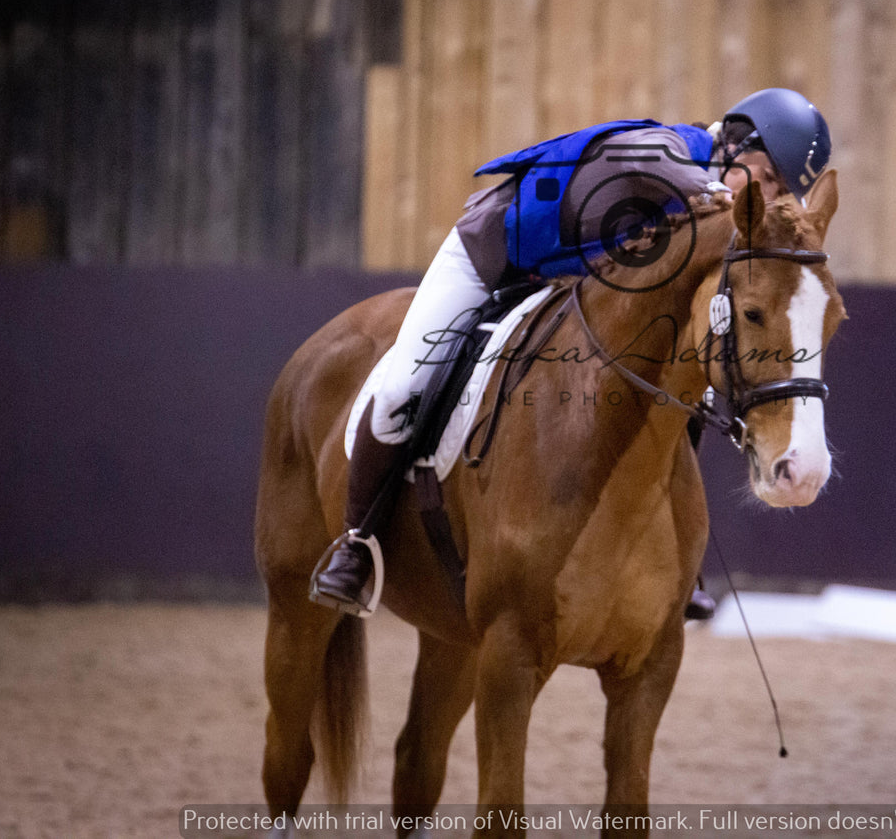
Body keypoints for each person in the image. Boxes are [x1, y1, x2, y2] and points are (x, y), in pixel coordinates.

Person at [310, 88, 832, 618]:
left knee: (681, 384)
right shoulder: (669, 148)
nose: (766, 196)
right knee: (405, 385)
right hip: (491, 258)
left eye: (780, 189)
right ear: (733, 145)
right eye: (765, 177)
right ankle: (357, 545)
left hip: (564, 286)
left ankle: (677, 560)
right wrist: (710, 188)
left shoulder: (721, 218)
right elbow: (641, 160)